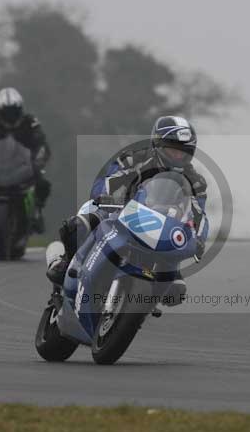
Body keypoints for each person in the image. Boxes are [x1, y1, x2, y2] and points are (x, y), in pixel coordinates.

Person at [46, 115, 208, 305]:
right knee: (81, 223)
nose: (178, 156)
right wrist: (105, 196)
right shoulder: (134, 159)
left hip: (162, 232)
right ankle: (65, 262)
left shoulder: (196, 182)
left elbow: (199, 214)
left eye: (184, 152)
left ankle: (139, 310)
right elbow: (108, 180)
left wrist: (198, 238)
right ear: (157, 144)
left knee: (176, 290)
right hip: (121, 212)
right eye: (172, 150)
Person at [0, 87, 51, 232]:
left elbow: (41, 142)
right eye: (6, 112)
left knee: (43, 185)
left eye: (13, 111)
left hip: (24, 164)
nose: (10, 116)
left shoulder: (30, 122)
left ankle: (37, 211)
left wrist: (39, 160)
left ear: (20, 109)